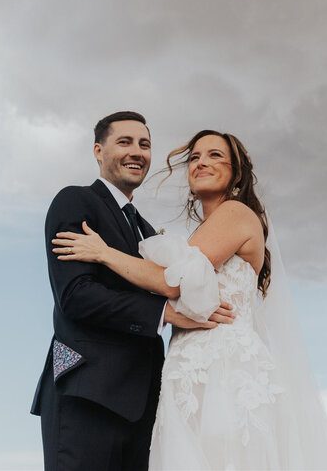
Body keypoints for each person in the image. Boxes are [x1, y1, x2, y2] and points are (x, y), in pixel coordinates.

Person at [52, 130, 327, 469]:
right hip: (190, 369)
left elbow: (171, 284)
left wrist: (103, 253)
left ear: (237, 173)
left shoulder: (234, 214)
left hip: (224, 370)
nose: (202, 161)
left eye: (215, 155)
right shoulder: (205, 233)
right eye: (196, 157)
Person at [31, 114, 235, 471]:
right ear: (98, 151)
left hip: (144, 406)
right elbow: (76, 296)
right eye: (124, 142)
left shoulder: (143, 228)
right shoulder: (75, 202)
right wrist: (166, 313)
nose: (137, 152)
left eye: (144, 144)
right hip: (87, 392)